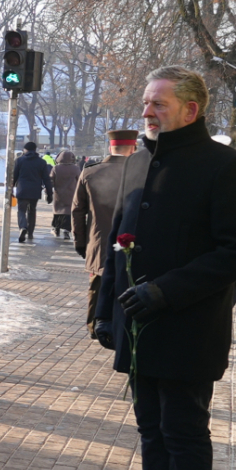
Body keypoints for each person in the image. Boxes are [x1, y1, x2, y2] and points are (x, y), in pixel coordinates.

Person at [93, 66, 236, 470]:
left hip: (188, 327)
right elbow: (119, 241)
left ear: (190, 110)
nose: (146, 112)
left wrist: (164, 292)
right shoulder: (138, 163)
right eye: (145, 102)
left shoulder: (226, 167)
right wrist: (103, 313)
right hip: (137, 328)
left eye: (158, 104)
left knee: (183, 432)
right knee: (150, 426)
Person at [71, 129, 140, 333]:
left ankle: (94, 325)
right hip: (132, 240)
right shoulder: (141, 174)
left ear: (111, 147)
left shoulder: (90, 172)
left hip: (99, 241)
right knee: (130, 281)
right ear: (133, 148)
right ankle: (126, 326)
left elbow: (77, 211)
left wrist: (81, 243)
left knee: (98, 283)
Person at [11, 140, 53, 242]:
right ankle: (30, 232)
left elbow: (14, 176)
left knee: (21, 210)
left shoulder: (19, 160)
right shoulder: (41, 162)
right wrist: (50, 193)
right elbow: (46, 179)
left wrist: (10, 189)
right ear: (35, 150)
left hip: (22, 190)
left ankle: (23, 227)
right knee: (32, 211)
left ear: (25, 150)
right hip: (35, 191)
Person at [50, 148, 80, 238]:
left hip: (59, 193)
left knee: (58, 211)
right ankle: (67, 230)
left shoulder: (56, 168)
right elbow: (80, 180)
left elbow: (51, 180)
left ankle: (56, 229)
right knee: (69, 211)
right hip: (72, 193)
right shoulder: (76, 168)